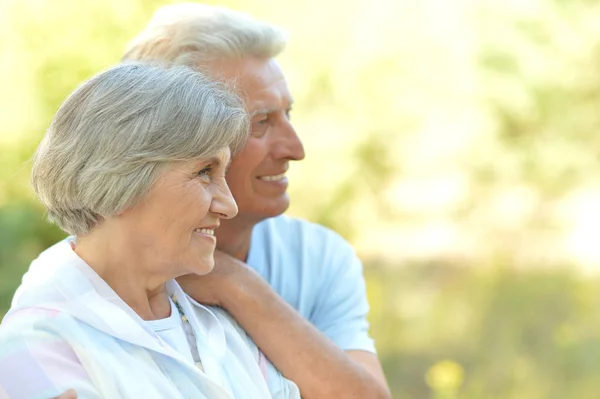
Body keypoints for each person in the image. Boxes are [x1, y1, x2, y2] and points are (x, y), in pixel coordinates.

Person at [121, 3, 391, 398]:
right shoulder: (104, 273)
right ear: (171, 139)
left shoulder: (317, 259)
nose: (295, 149)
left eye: (288, 115)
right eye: (260, 123)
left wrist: (235, 284)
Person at [0, 63, 300, 399]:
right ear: (120, 180)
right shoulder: (37, 345)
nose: (228, 205)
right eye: (204, 172)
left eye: (223, 173)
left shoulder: (223, 329)